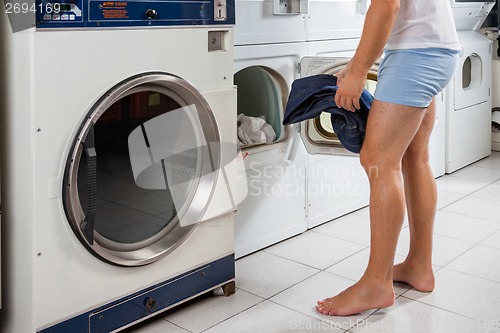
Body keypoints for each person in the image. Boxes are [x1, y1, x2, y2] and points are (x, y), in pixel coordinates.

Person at [315, 0, 461, 316]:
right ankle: (418, 266)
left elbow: (385, 6)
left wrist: (357, 71)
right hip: (434, 48)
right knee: (414, 157)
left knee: (379, 160)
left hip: (416, 54)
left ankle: (376, 284)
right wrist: (357, 64)